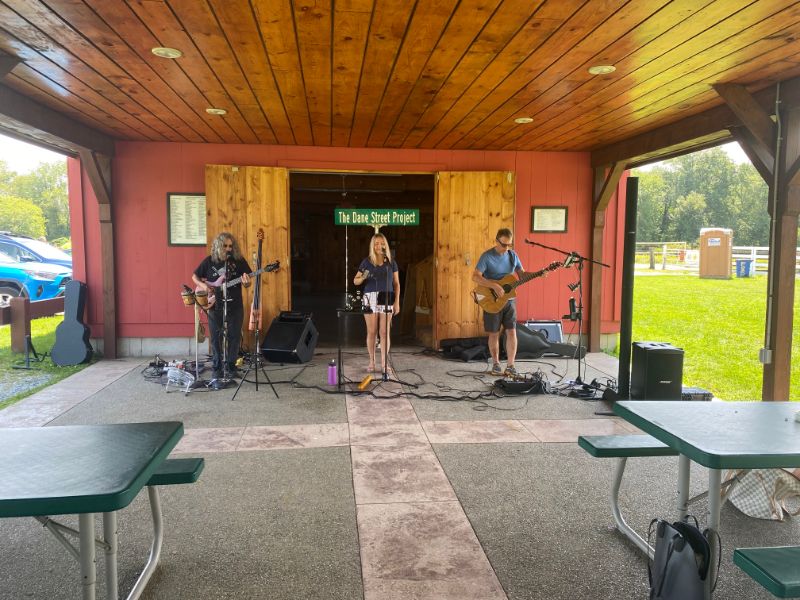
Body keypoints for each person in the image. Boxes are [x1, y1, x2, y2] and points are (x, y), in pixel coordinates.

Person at [192, 232, 251, 379]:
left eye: (231, 246)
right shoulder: (209, 261)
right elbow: (194, 276)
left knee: (234, 336)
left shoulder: (239, 261)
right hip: (214, 304)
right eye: (225, 246)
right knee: (216, 337)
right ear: (218, 246)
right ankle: (217, 368)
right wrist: (204, 287)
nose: (228, 249)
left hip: (235, 304)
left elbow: (248, 280)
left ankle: (231, 367)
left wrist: (247, 282)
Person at [472, 227, 525, 376]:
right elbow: (475, 277)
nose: (506, 248)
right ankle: (495, 363)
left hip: (509, 300)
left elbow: (522, 275)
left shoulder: (513, 256)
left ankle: (510, 366)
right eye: (503, 245)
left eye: (509, 245)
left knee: (512, 331)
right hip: (492, 299)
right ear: (496, 241)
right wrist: (494, 285)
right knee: (494, 333)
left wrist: (540, 273)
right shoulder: (486, 256)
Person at [353, 232, 400, 373]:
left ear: (385, 244)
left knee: (385, 332)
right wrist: (363, 276)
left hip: (387, 296)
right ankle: (372, 362)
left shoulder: (391, 262)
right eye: (376, 243)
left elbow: (396, 283)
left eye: (381, 243)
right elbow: (356, 281)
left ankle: (384, 364)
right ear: (372, 246)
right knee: (372, 332)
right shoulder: (366, 261)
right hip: (370, 297)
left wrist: (397, 302)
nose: (379, 246)